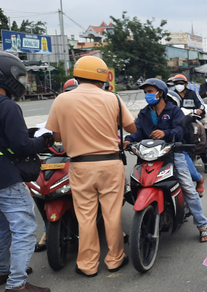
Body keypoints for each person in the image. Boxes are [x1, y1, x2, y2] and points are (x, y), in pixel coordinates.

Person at [46, 56, 137, 277]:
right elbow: (131, 128)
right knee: (112, 213)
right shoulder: (113, 99)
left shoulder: (62, 99)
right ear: (103, 76)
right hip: (110, 164)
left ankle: (87, 264)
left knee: (85, 215)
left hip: (80, 166)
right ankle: (115, 259)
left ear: (77, 75)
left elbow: (56, 135)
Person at [124, 78, 207, 242]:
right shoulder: (144, 113)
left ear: (160, 93)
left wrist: (166, 133)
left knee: (188, 189)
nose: (147, 95)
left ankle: (202, 225)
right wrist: (129, 139)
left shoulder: (174, 111)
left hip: (172, 154)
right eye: (145, 92)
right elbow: (137, 131)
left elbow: (180, 129)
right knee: (132, 184)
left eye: (149, 92)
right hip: (148, 155)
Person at [0, 52, 52, 292]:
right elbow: (21, 146)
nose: (21, 82)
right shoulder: (8, 106)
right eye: (18, 76)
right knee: (24, 229)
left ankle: (3, 272)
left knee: (1, 228)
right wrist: (43, 141)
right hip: (7, 177)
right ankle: (16, 284)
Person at [173, 74, 207, 172]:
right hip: (177, 120)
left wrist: (199, 110)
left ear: (185, 84)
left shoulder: (192, 94)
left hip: (192, 118)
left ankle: (206, 163)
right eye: (176, 84)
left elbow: (202, 106)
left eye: (181, 83)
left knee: (199, 134)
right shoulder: (172, 95)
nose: (179, 85)